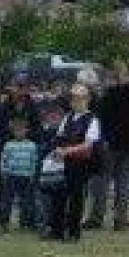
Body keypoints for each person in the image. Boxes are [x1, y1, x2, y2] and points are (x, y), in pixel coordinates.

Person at [44, 85, 101, 242]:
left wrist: (67, 151)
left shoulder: (93, 119)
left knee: (76, 198)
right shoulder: (67, 117)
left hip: (80, 164)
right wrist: (55, 150)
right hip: (63, 163)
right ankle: (56, 230)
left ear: (87, 99)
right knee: (58, 196)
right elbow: (59, 137)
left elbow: (88, 145)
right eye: (74, 98)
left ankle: (73, 232)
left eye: (80, 97)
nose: (76, 101)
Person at [89, 64, 129, 231]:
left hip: (109, 144)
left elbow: (101, 117)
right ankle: (120, 219)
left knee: (102, 182)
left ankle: (97, 217)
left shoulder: (111, 94)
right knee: (123, 183)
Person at [0, 117, 39, 233]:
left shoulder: (32, 145)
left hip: (26, 176)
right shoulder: (8, 145)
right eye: (17, 130)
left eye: (22, 130)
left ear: (26, 131)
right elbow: (3, 159)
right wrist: (4, 171)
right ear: (13, 132)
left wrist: (32, 173)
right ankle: (4, 223)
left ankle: (24, 223)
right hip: (11, 176)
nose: (19, 132)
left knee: (26, 202)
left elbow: (34, 161)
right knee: (7, 201)